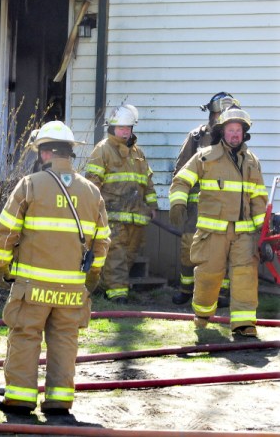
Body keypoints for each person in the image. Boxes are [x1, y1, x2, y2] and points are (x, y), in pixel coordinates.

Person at [0, 120, 110, 416]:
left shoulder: (30, 185)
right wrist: (91, 277)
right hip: (71, 290)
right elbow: (102, 242)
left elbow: (6, 231)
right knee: (65, 341)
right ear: (69, 153)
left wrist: (1, 266)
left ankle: (18, 399)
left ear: (44, 153)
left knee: (25, 336)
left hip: (32, 287)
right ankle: (59, 401)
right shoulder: (91, 192)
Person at [169, 107, 267, 337]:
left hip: (244, 233)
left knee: (245, 276)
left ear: (244, 134)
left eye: (239, 130)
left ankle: (243, 324)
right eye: (231, 130)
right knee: (209, 275)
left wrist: (262, 230)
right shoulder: (206, 156)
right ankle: (202, 315)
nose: (235, 134)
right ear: (222, 132)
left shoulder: (251, 161)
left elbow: (258, 197)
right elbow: (181, 180)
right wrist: (178, 204)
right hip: (212, 232)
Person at [171, 93, 239, 307]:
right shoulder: (197, 137)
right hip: (197, 206)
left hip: (226, 206)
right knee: (189, 246)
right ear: (212, 114)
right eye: (219, 113)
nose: (222, 118)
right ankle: (186, 289)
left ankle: (221, 293)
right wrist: (178, 202)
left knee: (224, 248)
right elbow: (181, 170)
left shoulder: (235, 139)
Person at [85, 104, 157, 304]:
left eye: (129, 127)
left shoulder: (138, 153)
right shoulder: (103, 150)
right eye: (121, 127)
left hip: (136, 217)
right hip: (112, 216)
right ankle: (118, 295)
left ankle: (104, 287)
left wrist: (152, 206)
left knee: (129, 256)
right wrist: (94, 210)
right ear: (112, 128)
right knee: (115, 255)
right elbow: (92, 183)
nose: (126, 131)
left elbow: (147, 183)